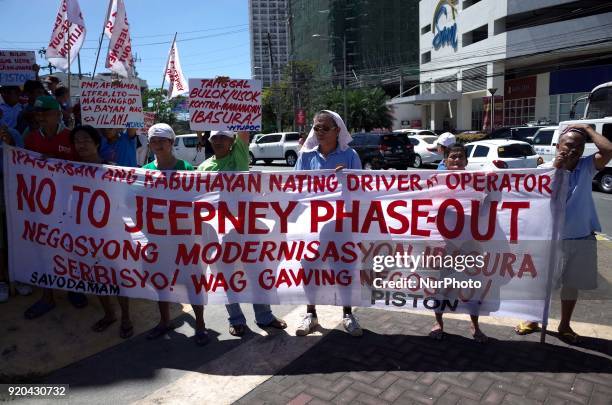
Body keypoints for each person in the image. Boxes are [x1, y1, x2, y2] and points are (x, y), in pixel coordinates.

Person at [515, 125, 612, 343]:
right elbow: (536, 201)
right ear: (558, 146)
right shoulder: (546, 169)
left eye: (580, 146)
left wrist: (588, 129)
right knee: (539, 283)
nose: (574, 149)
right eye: (569, 144)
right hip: (549, 238)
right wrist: (556, 171)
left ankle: (565, 324)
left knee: (571, 284)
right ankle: (532, 319)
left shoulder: (588, 166)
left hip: (581, 237)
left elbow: (608, 151)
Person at [197, 129, 287, 337]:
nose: (219, 141)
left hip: (247, 229)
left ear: (232, 141)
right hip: (219, 233)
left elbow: (244, 129)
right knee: (226, 276)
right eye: (215, 137)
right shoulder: (203, 168)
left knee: (257, 273)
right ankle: (236, 320)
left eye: (224, 137)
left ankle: (265, 316)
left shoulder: (239, 157)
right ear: (210, 140)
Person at [293, 110, 363, 337]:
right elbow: (294, 189)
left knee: (343, 268)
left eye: (325, 128)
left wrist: (348, 179)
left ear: (337, 131)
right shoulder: (305, 156)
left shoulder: (350, 155)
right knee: (310, 269)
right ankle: (310, 314)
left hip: (341, 225)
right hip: (311, 225)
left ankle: (347, 313)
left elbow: (362, 189)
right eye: (316, 128)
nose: (319, 132)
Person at [142, 123, 208, 345]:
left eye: (163, 140)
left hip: (186, 239)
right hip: (158, 239)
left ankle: (200, 324)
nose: (158, 144)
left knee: (193, 282)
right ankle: (164, 321)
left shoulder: (187, 169)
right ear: (150, 144)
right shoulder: (145, 171)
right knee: (161, 282)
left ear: (171, 143)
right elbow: (132, 201)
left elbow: (201, 201)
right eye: (154, 140)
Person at [67, 125, 135, 338]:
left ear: (97, 143)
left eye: (86, 140)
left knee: (117, 278)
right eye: (77, 141)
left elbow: (125, 201)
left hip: (112, 234)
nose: (82, 144)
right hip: (85, 234)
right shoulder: (69, 170)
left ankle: (125, 316)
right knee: (96, 276)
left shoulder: (112, 169)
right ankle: (109, 314)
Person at [22, 95, 86, 319]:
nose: (40, 118)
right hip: (41, 206)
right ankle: (47, 296)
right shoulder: (29, 139)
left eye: (45, 113)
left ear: (58, 114)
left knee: (71, 248)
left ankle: (73, 289)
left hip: (69, 205)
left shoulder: (71, 137)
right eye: (37, 114)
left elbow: (83, 166)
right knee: (44, 249)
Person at [429, 144, 488, 342]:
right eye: (452, 157)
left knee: (473, 286)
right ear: (445, 162)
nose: (456, 160)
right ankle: (438, 322)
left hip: (470, 244)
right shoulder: (436, 183)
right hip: (445, 245)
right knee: (442, 287)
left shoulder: (477, 183)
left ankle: (475, 325)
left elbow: (487, 208)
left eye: (460, 157)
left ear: (466, 161)